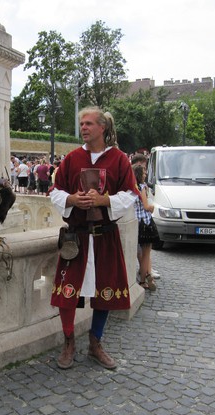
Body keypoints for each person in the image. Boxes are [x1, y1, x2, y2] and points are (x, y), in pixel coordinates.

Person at [49, 106, 139, 370]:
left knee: (105, 293)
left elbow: (131, 194)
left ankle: (95, 343)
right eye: (81, 124)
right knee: (67, 294)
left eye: (88, 123)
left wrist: (104, 200)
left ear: (103, 128)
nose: (84, 128)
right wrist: (71, 199)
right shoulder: (72, 159)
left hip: (104, 238)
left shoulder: (119, 160)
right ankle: (68, 343)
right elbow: (54, 190)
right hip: (75, 240)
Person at [132, 162, 157, 291]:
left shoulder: (131, 188)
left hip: (135, 222)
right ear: (139, 175)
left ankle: (146, 276)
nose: (146, 174)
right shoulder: (142, 187)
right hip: (145, 223)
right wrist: (153, 207)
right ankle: (144, 280)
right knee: (146, 254)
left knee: (139, 253)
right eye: (144, 172)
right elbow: (147, 207)